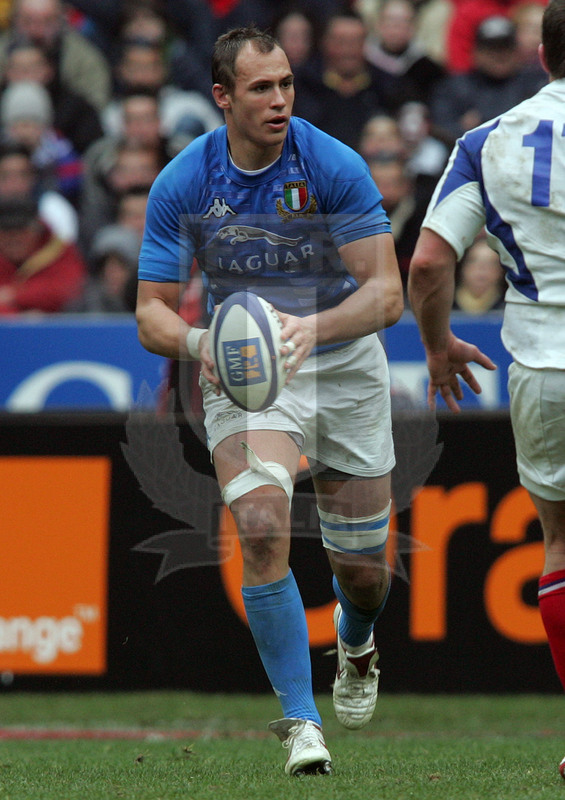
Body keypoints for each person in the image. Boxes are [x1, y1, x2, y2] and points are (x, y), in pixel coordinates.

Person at [136, 26, 403, 776]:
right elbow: (151, 312)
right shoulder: (185, 180)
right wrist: (201, 347)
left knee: (363, 575)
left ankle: (355, 644)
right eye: (261, 88)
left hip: (342, 361)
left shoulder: (331, 164)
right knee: (258, 522)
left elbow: (385, 295)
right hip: (249, 371)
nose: (280, 99)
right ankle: (300, 721)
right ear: (222, 96)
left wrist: (304, 330)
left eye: (285, 83)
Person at [407, 0, 565, 779]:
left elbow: (431, 264)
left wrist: (437, 348)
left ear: (540, 55)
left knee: (560, 545)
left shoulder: (486, 140)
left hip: (543, 367)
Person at [430, 14, 545, 144]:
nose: (500, 55)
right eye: (492, 49)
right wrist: (463, 132)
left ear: (516, 50)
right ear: (476, 53)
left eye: (505, 47)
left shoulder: (536, 84)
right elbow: (440, 128)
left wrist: (479, 127)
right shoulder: (455, 87)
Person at [0, 192, 85, 313]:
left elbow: (67, 289)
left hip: (55, 328)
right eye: (6, 231)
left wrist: (15, 296)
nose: (14, 238)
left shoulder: (58, 250)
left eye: (22, 230)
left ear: (37, 228)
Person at [453, 236, 505, 314]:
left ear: (500, 271)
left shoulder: (509, 308)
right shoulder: (443, 306)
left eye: (491, 263)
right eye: (473, 261)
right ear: (462, 267)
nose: (482, 268)